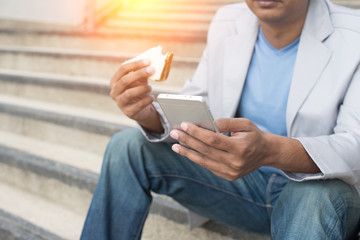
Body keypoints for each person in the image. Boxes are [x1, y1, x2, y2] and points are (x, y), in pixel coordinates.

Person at [81, 0, 360, 239]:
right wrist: (149, 115)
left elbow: (354, 143)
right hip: (238, 184)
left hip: (314, 193)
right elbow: (196, 105)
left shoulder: (354, 33)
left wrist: (270, 150)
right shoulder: (227, 21)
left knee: (313, 196)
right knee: (127, 146)